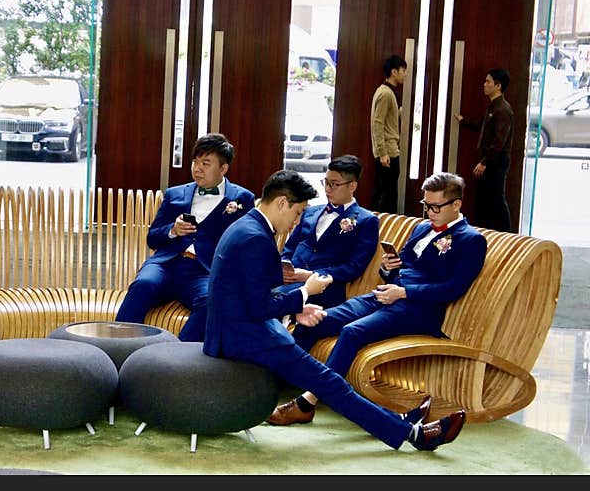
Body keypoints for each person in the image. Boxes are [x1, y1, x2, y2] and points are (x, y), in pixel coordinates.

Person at [203, 169, 466, 452]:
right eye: (298, 212)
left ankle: (401, 425)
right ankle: (414, 436)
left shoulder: (247, 227)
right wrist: (306, 293)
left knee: (328, 380)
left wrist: (298, 308)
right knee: (330, 383)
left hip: (239, 328)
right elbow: (258, 305)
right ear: (282, 202)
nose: (297, 221)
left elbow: (251, 293)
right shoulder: (256, 238)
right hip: (246, 335)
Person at [279, 172, 487, 425]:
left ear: (456, 205)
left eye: (435, 207)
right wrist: (389, 268)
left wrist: (404, 292)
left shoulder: (471, 240)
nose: (429, 213)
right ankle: (280, 377)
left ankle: (308, 402)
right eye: (426, 206)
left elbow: (454, 287)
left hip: (418, 310)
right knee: (317, 318)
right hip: (386, 295)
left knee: (352, 332)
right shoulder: (421, 228)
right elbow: (400, 270)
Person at [115, 133, 255, 341]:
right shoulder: (174, 194)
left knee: (213, 302)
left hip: (204, 271)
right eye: (195, 162)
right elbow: (152, 238)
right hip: (165, 265)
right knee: (143, 285)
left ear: (223, 168)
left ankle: (178, 359)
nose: (197, 169)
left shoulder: (242, 198)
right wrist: (173, 230)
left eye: (206, 163)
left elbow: (247, 244)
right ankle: (118, 347)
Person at [278, 154, 379, 310]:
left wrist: (312, 275)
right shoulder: (310, 211)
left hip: (323, 287)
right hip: (288, 278)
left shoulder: (366, 221)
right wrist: (285, 265)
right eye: (326, 183)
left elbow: (353, 267)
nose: (327, 189)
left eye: (334, 184)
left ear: (352, 186)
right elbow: (289, 247)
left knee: (271, 298)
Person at [455, 68, 514, 232]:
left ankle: (506, 234)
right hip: (490, 161)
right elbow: (482, 126)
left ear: (498, 85)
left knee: (496, 199)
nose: (484, 84)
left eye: (488, 81)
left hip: (496, 163)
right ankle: (485, 231)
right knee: (485, 199)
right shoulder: (493, 107)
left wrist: (483, 162)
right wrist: (463, 121)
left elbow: (499, 142)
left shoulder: (502, 109)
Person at [370, 54, 408, 214]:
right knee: (386, 195)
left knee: (386, 192)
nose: (405, 74)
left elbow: (386, 119)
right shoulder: (385, 93)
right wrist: (383, 153)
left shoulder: (387, 91)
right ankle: (383, 228)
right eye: (403, 70)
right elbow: (378, 124)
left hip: (389, 150)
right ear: (394, 71)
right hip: (388, 153)